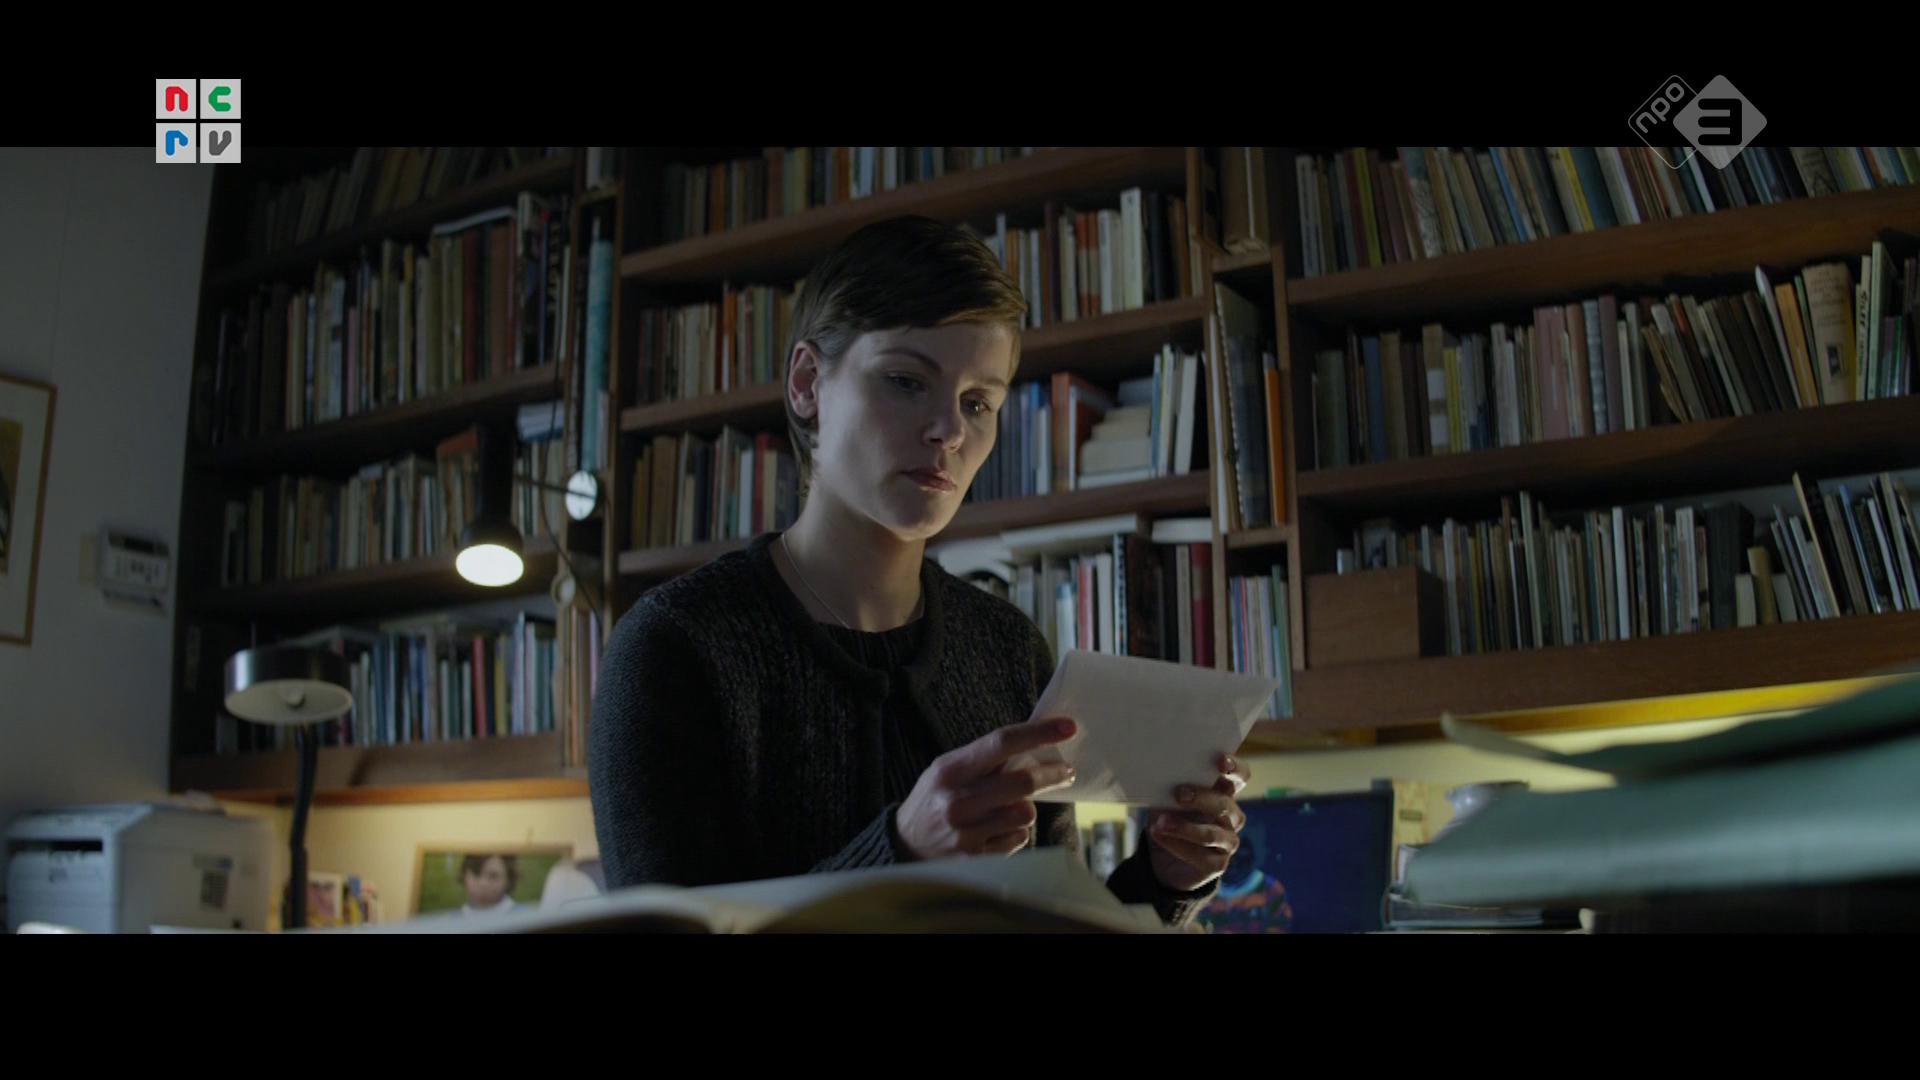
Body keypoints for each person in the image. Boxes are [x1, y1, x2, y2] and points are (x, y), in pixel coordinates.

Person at [588, 215, 1249, 928]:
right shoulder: (672, 647)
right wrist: (899, 851)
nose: (950, 431)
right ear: (808, 383)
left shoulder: (1007, 649)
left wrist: (1165, 882)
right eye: (906, 381)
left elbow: (1052, 919)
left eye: (978, 402)